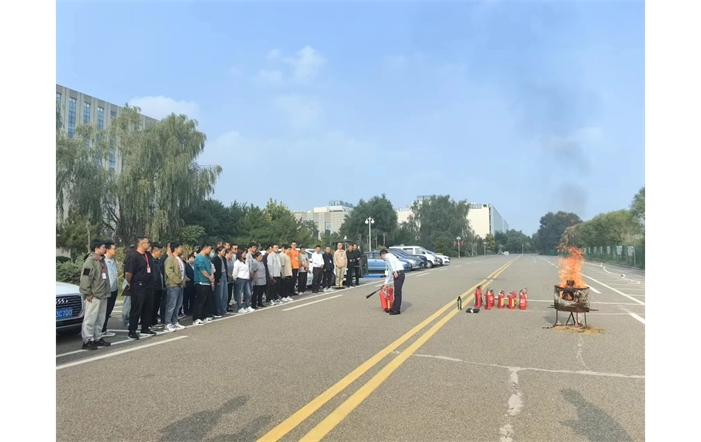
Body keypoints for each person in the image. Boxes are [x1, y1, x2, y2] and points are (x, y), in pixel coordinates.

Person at [79, 239, 112, 350]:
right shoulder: (90, 261)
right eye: (103, 247)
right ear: (96, 248)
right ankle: (87, 340)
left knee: (100, 318)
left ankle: (97, 337)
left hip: (103, 294)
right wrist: (87, 293)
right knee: (90, 318)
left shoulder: (102, 260)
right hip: (94, 295)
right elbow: (85, 278)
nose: (105, 249)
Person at [124, 237, 157, 339]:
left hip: (149, 285)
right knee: (136, 308)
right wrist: (131, 283)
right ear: (142, 244)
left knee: (148, 307)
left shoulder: (148, 255)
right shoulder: (133, 256)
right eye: (147, 243)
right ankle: (132, 331)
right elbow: (128, 273)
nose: (149, 245)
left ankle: (145, 328)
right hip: (138, 286)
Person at [163, 242, 186, 332]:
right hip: (173, 285)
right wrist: (179, 281)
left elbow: (182, 272)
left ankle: (175, 321)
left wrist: (184, 281)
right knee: (171, 305)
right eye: (180, 247)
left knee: (178, 305)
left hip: (180, 285)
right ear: (175, 249)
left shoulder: (179, 259)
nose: (181, 249)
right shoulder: (169, 259)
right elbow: (170, 273)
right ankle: (167, 323)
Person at [192, 244, 215, 325]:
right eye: (209, 249)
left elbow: (210, 268)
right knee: (200, 301)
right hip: (201, 282)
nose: (210, 251)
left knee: (207, 301)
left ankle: (204, 316)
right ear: (205, 248)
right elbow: (202, 270)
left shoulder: (207, 258)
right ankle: (196, 318)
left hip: (207, 282)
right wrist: (209, 277)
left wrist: (211, 276)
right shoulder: (199, 257)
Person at [380, 249, 405, 315]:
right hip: (397, 274)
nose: (382, 259)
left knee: (397, 292)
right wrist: (385, 283)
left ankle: (397, 309)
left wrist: (394, 271)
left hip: (399, 273)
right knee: (396, 292)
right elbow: (389, 273)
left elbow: (392, 263)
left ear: (383, 254)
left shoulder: (388, 256)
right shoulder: (388, 260)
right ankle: (394, 308)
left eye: (381, 257)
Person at [101, 241, 118, 337]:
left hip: (114, 289)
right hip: (106, 290)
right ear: (107, 250)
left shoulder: (112, 261)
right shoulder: (103, 261)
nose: (115, 250)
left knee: (109, 310)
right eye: (114, 249)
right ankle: (100, 329)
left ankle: (104, 329)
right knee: (104, 311)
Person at [149, 243, 166, 328]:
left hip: (160, 286)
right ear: (154, 251)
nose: (161, 253)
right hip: (153, 287)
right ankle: (150, 322)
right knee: (151, 306)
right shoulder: (150, 261)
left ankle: (153, 321)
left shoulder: (158, 261)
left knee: (156, 305)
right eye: (160, 251)